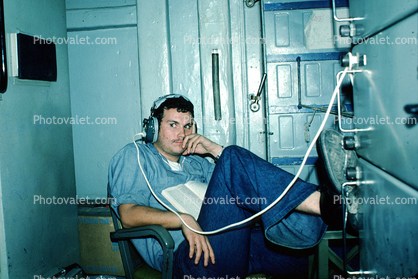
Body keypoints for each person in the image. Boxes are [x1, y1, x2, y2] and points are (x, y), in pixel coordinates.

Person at [108, 94, 332, 278]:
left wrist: (214, 149)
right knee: (232, 156)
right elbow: (128, 215)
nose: (182, 133)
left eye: (188, 126)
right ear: (154, 127)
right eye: (173, 125)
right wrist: (182, 219)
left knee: (297, 253)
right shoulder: (135, 156)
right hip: (190, 256)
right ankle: (326, 205)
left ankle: (333, 215)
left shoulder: (196, 162)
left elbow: (243, 188)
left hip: (228, 244)